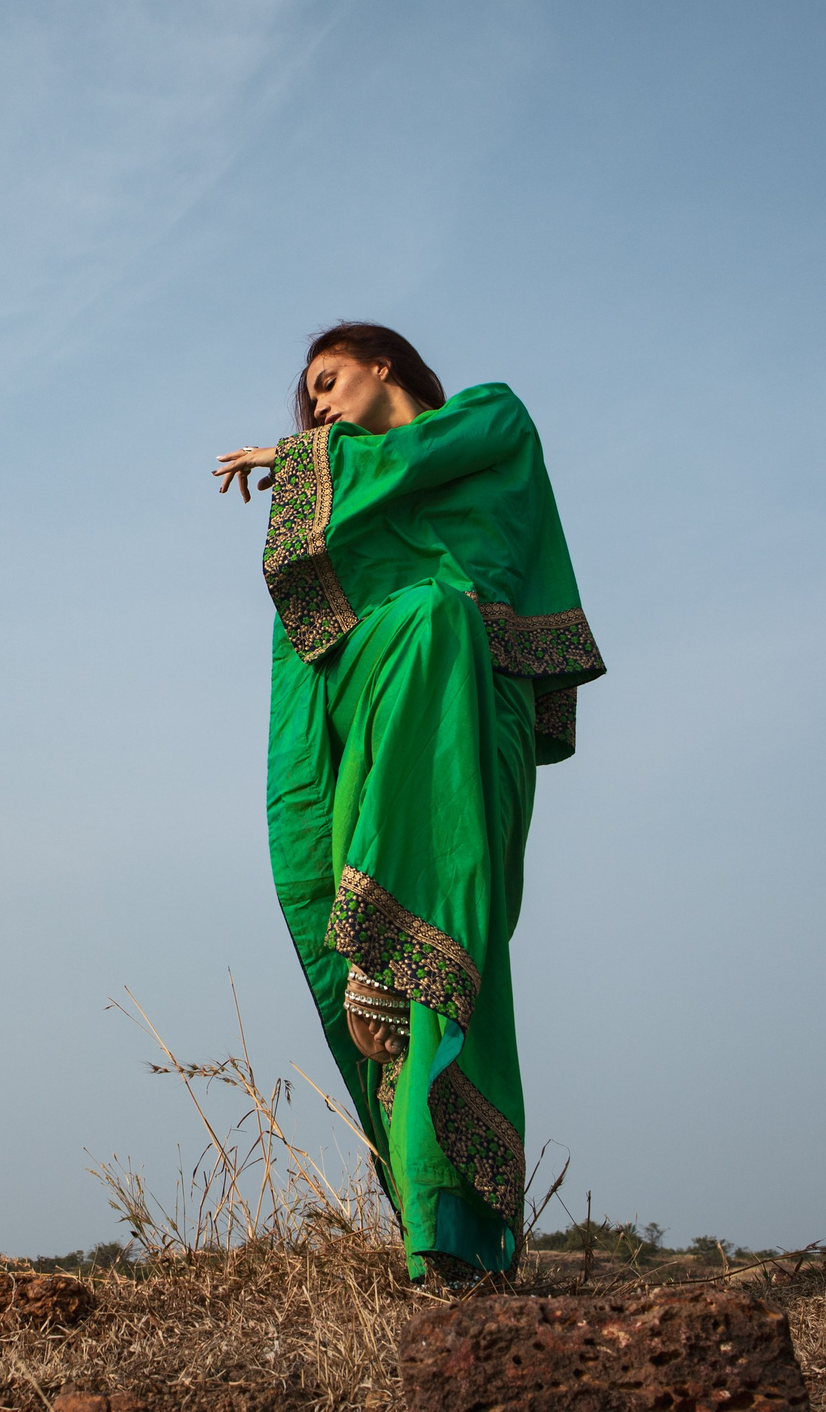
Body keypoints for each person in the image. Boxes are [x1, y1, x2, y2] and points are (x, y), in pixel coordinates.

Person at [213, 322, 605, 1282]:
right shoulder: (341, 472)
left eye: (330, 379)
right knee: (431, 615)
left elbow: (422, 456)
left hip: (484, 723)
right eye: (309, 401)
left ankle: (463, 1245)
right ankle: (428, 1241)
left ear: (382, 362)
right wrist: (316, 464)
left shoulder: (491, 416)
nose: (319, 406)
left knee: (464, 954)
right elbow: (322, 614)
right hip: (385, 713)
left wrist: (307, 457)